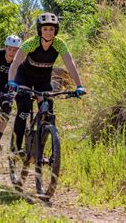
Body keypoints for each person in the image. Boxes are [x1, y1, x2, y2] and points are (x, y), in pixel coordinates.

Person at [7, 12, 86, 154]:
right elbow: (15, 63)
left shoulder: (59, 44)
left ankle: (39, 147)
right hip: (24, 78)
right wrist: (11, 81)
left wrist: (79, 85)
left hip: (43, 80)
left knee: (47, 111)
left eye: (52, 29)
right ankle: (16, 149)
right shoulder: (31, 43)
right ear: (39, 30)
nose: (49, 32)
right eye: (45, 29)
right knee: (24, 109)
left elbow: (70, 65)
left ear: (56, 30)